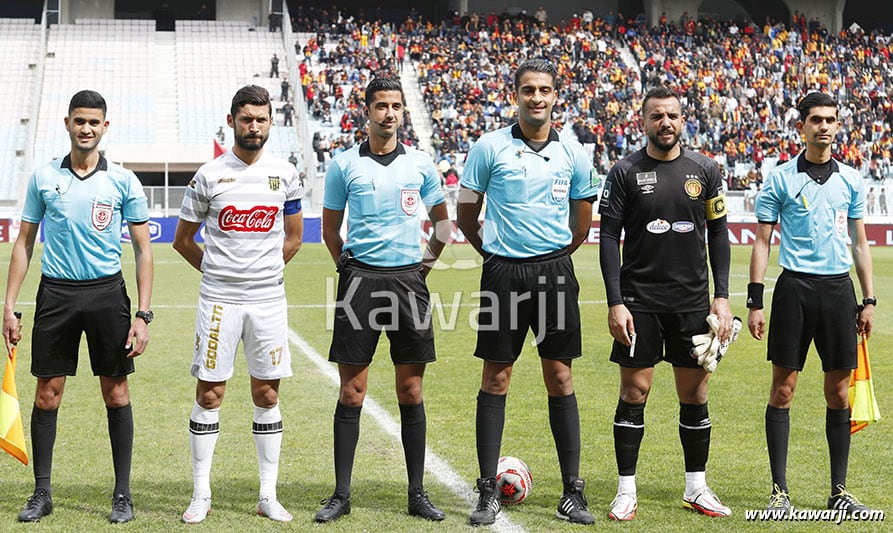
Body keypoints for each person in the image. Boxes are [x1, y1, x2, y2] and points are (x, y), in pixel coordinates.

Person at [456, 59, 598, 526]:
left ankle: (572, 492)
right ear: (514, 94)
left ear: (557, 95)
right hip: (502, 275)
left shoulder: (575, 153)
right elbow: (465, 216)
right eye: (528, 90)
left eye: (544, 90)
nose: (536, 97)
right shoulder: (488, 147)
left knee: (560, 377)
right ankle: (485, 492)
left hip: (554, 272)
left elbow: (581, 222)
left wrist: (553, 256)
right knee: (496, 377)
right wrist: (495, 257)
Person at [2, 89, 154, 524]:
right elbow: (25, 242)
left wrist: (142, 315)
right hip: (57, 295)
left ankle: (122, 494)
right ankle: (42, 493)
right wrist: (9, 305)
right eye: (79, 121)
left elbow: (144, 250)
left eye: (94, 122)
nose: (86, 128)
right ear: (67, 123)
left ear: (105, 127)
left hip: (108, 295)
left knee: (116, 391)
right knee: (47, 394)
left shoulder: (123, 180)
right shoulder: (43, 177)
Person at [314, 77, 451, 523]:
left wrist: (420, 269)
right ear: (366, 110)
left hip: (409, 281)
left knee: (410, 389)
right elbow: (330, 228)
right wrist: (348, 269)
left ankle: (416, 493)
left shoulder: (421, 165)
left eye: (396, 106)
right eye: (381, 106)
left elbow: (443, 226)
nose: (389, 113)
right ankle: (341, 495)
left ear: (402, 112)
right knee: (352, 392)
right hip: (361, 284)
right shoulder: (343, 165)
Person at [598, 86, 733, 521]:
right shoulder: (624, 172)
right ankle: (625, 490)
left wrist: (723, 297)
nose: (666, 123)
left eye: (672, 115)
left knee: (694, 394)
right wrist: (616, 302)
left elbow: (718, 235)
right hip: (639, 302)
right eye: (657, 116)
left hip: (692, 302)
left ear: (683, 119)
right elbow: (607, 238)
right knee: (634, 391)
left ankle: (697, 487)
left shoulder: (706, 170)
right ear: (644, 121)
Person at [173, 85, 304, 524]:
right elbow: (183, 240)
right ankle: (201, 493)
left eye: (261, 119)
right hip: (219, 300)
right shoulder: (208, 175)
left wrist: (262, 272)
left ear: (271, 123)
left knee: (267, 392)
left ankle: (268, 494)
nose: (254, 126)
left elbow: (294, 237)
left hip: (268, 300)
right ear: (231, 121)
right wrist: (219, 273)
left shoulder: (285, 173)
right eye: (246, 118)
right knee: (210, 393)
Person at [747, 92, 875, 515]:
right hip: (794, 291)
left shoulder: (851, 180)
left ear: (838, 126)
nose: (824, 126)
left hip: (839, 293)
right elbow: (762, 242)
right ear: (801, 125)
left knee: (839, 394)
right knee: (783, 389)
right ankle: (779, 491)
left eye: (831, 119)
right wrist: (755, 301)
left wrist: (868, 299)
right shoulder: (781, 178)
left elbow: (860, 243)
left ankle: (839, 491)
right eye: (816, 119)